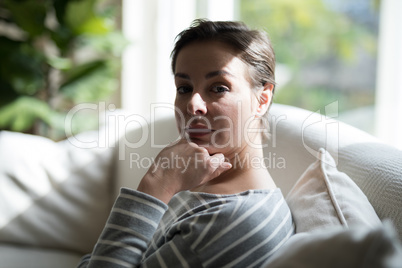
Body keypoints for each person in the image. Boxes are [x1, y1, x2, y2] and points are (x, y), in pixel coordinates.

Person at [78, 19, 294, 268]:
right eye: (184, 88)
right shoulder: (197, 185)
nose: (193, 104)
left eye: (219, 87)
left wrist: (154, 186)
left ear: (262, 100)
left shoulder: (233, 221)